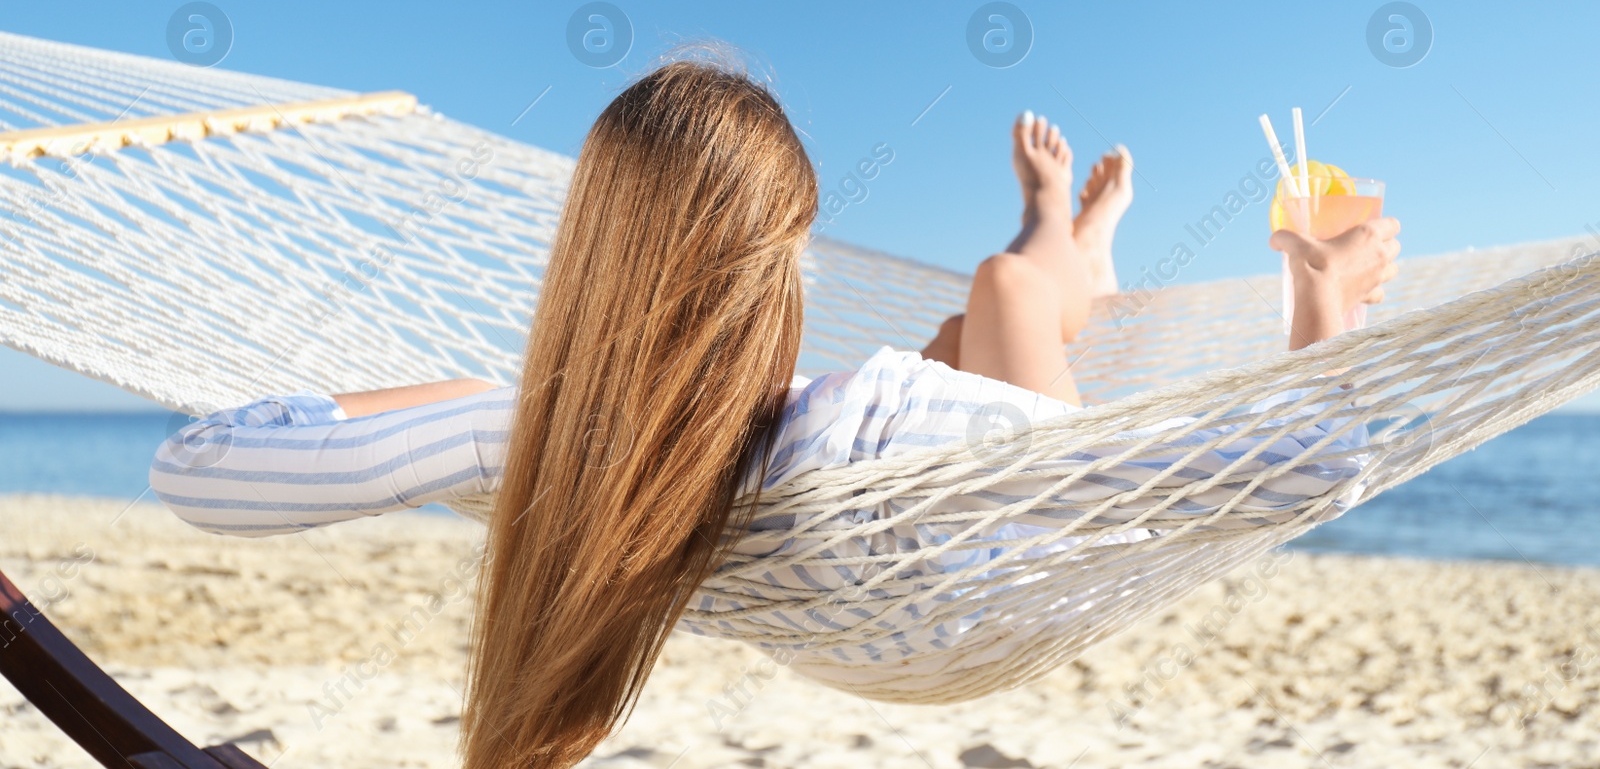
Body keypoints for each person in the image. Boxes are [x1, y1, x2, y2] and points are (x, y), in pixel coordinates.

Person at [151, 54, 1400, 769]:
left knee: (979, 320)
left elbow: (195, 471)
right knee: (1006, 288)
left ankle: (1069, 245)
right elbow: (1313, 460)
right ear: (776, 271)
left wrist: (500, 408)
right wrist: (1322, 287)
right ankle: (1067, 247)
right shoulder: (899, 416)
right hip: (987, 541)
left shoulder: (566, 453)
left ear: (593, 264)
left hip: (888, 564)